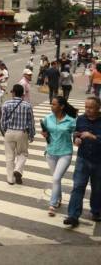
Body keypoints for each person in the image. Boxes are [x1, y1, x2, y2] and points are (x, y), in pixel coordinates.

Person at [64, 96, 101, 227]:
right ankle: (73, 215)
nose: (88, 110)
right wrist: (76, 139)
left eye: (91, 107)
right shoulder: (80, 119)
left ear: (98, 108)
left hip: (98, 161)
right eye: (86, 107)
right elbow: (76, 133)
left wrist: (94, 137)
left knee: (97, 189)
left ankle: (96, 211)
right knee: (78, 186)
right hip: (83, 158)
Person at [40, 96, 77, 217]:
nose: (52, 106)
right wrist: (45, 134)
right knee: (56, 179)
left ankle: (52, 204)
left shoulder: (71, 121)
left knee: (56, 178)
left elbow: (76, 134)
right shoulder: (47, 119)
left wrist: (77, 139)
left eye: (54, 104)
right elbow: (46, 133)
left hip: (65, 153)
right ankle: (59, 198)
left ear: (61, 106)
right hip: (51, 153)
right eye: (51, 104)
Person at [1, 84, 35, 185]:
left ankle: (10, 179)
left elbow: (2, 121)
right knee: (23, 153)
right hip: (22, 132)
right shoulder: (27, 105)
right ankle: (18, 169)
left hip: (9, 132)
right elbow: (31, 122)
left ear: (14, 92)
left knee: (9, 156)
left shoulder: (6, 104)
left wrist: (5, 131)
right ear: (22, 94)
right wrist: (32, 134)